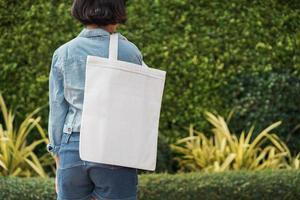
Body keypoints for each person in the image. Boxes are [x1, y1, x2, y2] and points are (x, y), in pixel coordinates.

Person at [46, 0, 142, 199]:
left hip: (73, 146)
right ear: (118, 11)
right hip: (114, 147)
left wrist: (58, 158)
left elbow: (57, 110)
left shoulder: (64, 52)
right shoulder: (130, 52)